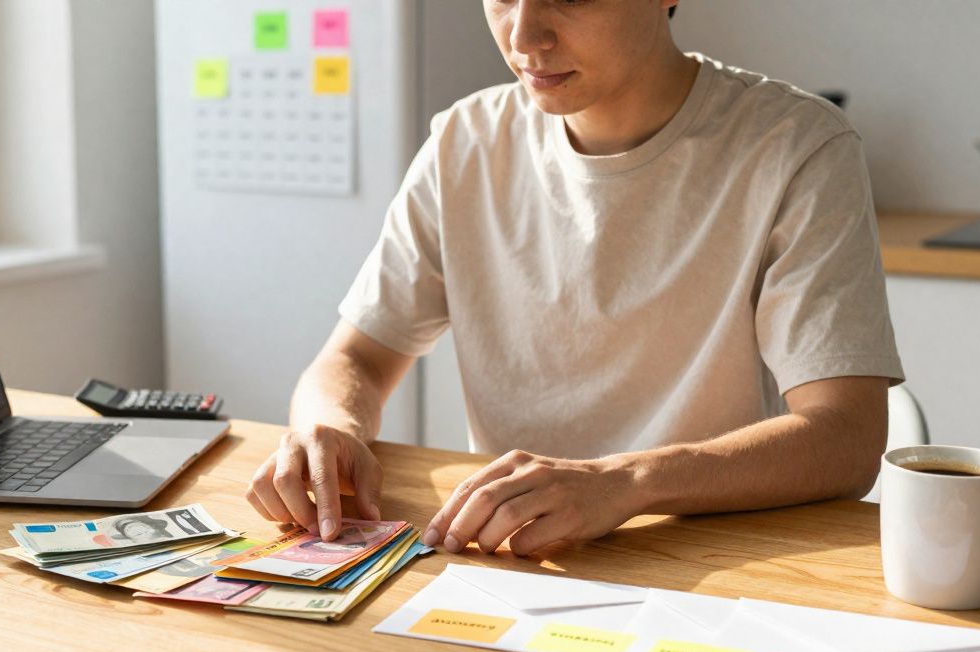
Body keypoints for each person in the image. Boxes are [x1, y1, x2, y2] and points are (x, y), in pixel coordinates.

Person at [247, 0, 904, 556]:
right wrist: (328, 426)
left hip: (714, 553)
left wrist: (629, 481)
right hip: (519, 558)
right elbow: (355, 357)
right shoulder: (465, 143)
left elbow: (845, 436)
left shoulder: (796, 148)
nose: (525, 36)